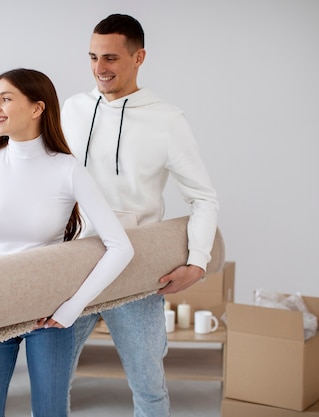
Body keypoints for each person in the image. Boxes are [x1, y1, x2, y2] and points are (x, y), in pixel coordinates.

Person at [61, 14, 219, 417]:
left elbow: (203, 197)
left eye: (111, 58)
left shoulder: (167, 120)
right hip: (74, 263)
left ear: (139, 57)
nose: (100, 68)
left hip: (135, 266)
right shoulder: (73, 109)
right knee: (52, 380)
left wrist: (197, 263)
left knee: (148, 387)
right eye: (93, 57)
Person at [0, 68, 134, 417]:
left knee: (50, 412)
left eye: (5, 98)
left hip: (48, 311)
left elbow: (120, 246)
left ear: (37, 108)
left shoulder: (67, 169)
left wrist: (70, 309)